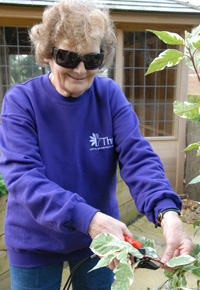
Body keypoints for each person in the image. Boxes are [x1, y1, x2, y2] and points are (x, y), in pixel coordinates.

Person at [0, 0, 193, 289]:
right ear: (47, 54)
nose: (80, 69)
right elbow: (24, 178)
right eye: (67, 57)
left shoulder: (109, 95)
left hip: (101, 242)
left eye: (92, 60)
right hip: (35, 242)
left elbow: (138, 158)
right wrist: (89, 218)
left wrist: (168, 213)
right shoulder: (21, 101)